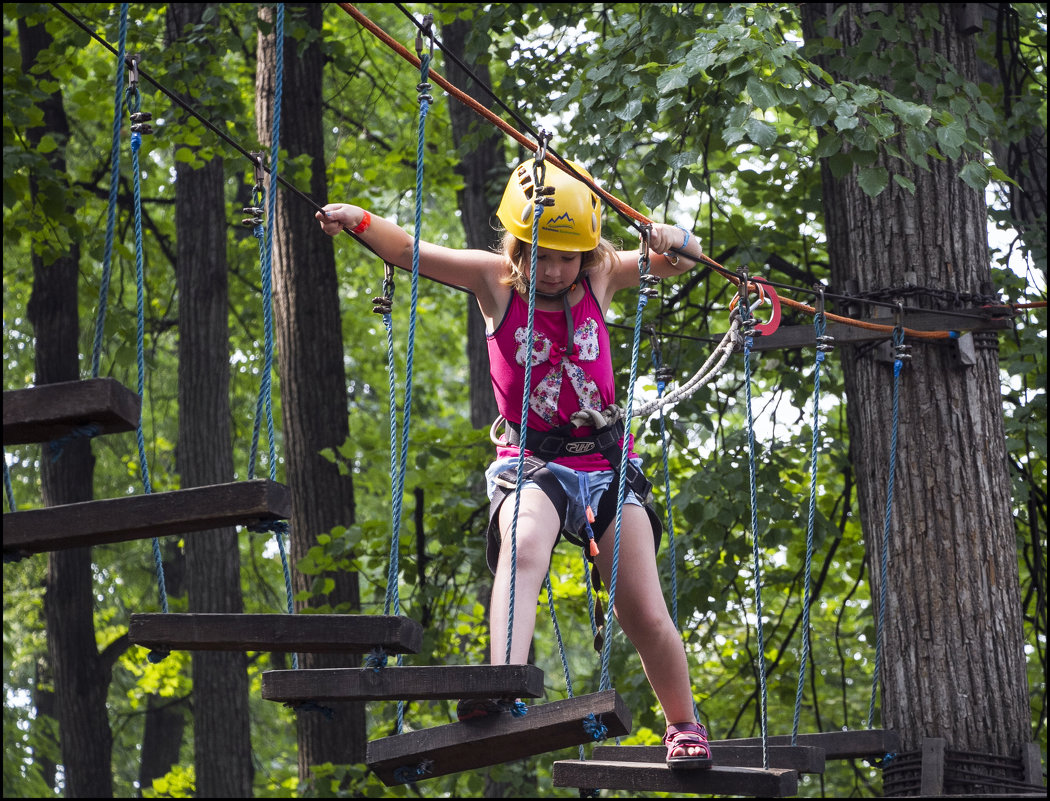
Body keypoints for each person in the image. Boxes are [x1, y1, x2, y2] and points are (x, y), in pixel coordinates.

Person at [317, 157, 713, 770]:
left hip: (606, 466)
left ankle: (684, 724)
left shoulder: (600, 277)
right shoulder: (493, 281)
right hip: (532, 462)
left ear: (586, 253)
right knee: (523, 543)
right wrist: (357, 219)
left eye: (566, 256)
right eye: (539, 254)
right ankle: (500, 679)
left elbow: (687, 259)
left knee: (642, 608)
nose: (553, 270)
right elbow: (411, 253)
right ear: (515, 245)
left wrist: (670, 238)